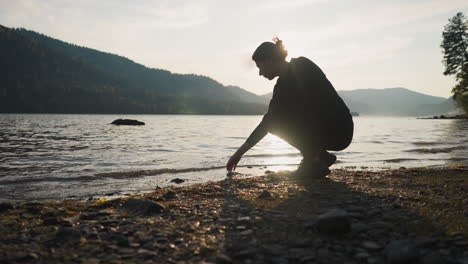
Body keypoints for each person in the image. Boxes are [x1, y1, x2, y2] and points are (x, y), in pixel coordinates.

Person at [226, 38, 354, 177]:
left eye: (260, 67)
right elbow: (268, 122)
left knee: (275, 120)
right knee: (272, 121)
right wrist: (238, 154)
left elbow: (314, 103)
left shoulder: (302, 66)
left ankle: (314, 159)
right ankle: (318, 158)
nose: (260, 73)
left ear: (269, 61)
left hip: (340, 128)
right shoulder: (281, 87)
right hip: (324, 130)